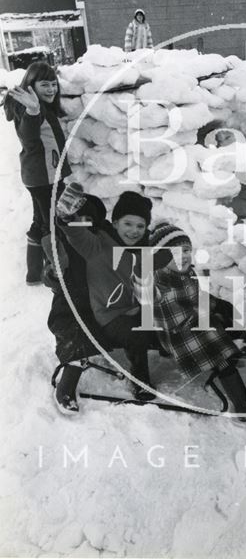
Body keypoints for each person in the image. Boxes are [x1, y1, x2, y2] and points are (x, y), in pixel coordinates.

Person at [133, 221, 246, 419]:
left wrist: (217, 304)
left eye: (186, 250)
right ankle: (242, 406)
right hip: (177, 335)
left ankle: (237, 342)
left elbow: (197, 297)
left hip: (195, 322)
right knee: (219, 355)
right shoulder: (157, 280)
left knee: (223, 317)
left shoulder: (187, 273)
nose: (184, 256)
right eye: (174, 252)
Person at [56, 184, 158, 400]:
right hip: (111, 316)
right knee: (137, 334)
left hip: (136, 308)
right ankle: (140, 382)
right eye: (127, 223)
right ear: (114, 223)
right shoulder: (99, 244)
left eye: (140, 226)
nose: (134, 231)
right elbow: (75, 234)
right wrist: (65, 216)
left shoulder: (144, 251)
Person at [4, 61, 71, 285]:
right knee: (51, 225)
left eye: (54, 84)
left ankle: (33, 273)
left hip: (40, 176)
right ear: (31, 85)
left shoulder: (41, 107)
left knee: (40, 221)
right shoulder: (30, 109)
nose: (52, 89)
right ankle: (57, 273)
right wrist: (33, 111)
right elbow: (29, 138)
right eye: (45, 84)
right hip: (45, 178)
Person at [49, 194, 109, 414]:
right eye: (76, 219)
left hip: (99, 301)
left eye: (86, 219)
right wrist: (54, 274)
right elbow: (50, 275)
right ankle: (67, 385)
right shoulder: (63, 243)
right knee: (74, 335)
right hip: (69, 302)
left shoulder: (103, 238)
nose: (81, 224)